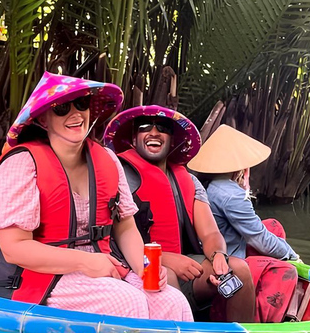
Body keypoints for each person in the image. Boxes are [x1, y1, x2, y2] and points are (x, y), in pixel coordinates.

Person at [0, 73, 193, 321]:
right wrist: (85, 262)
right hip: (38, 277)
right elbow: (14, 248)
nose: (76, 114)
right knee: (125, 302)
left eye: (81, 104)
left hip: (104, 267)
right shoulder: (22, 163)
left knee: (172, 301)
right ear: (43, 119)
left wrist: (143, 267)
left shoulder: (108, 160)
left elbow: (125, 228)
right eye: (61, 108)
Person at [104, 106, 255, 322]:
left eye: (163, 128)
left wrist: (219, 255)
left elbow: (210, 233)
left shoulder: (190, 181)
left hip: (185, 265)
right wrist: (165, 258)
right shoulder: (118, 176)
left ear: (172, 140)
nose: (154, 133)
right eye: (145, 127)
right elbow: (110, 239)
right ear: (134, 139)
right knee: (167, 274)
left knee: (239, 269)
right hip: (135, 266)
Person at [188, 125, 300, 323]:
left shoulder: (212, 184)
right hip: (226, 257)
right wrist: (293, 256)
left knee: (273, 225)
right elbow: (258, 237)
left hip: (217, 247)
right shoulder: (230, 194)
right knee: (285, 269)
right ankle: (261, 321)